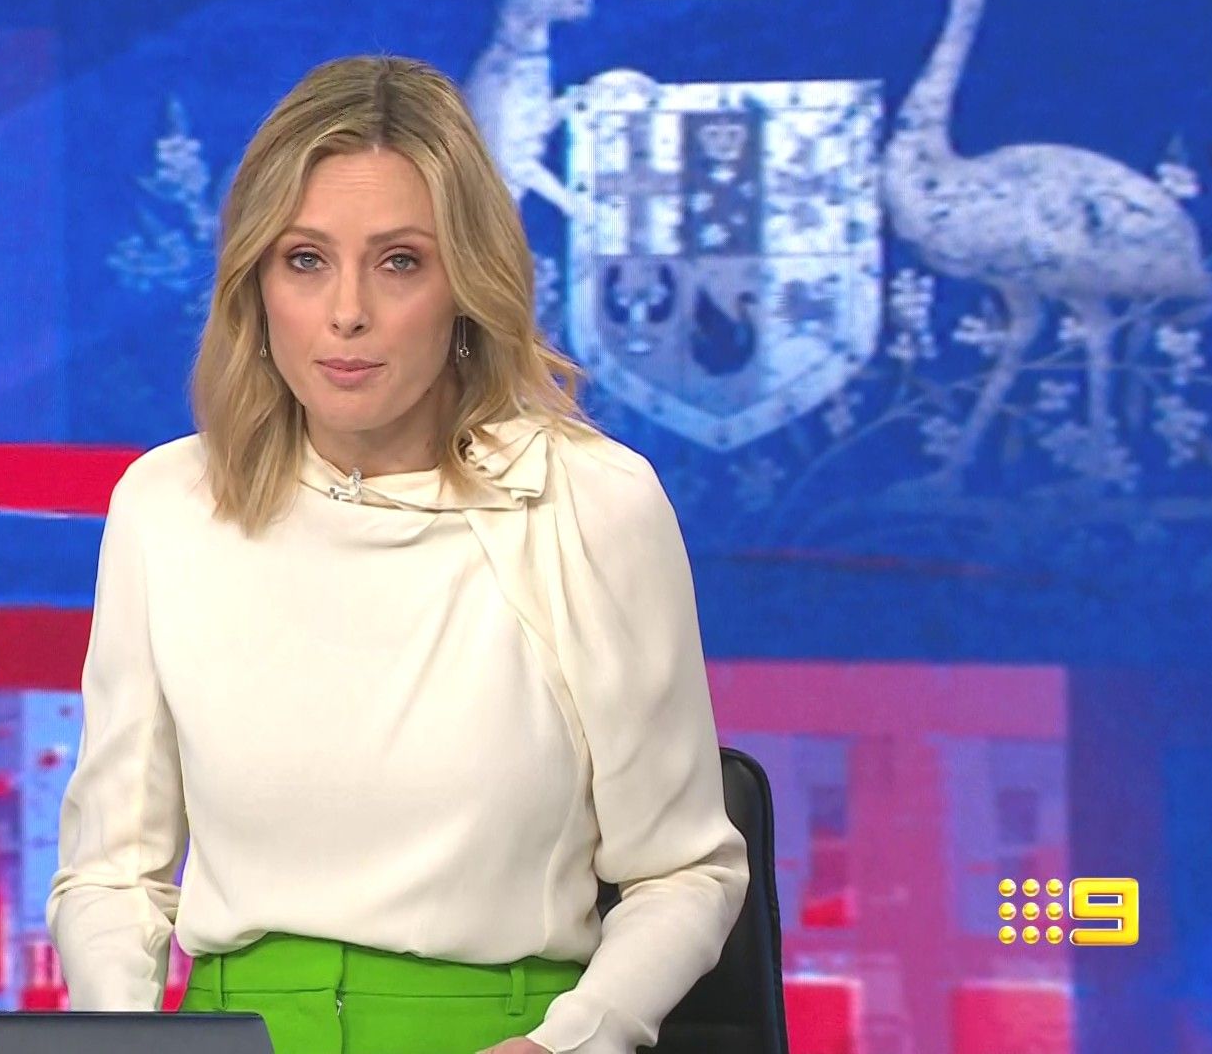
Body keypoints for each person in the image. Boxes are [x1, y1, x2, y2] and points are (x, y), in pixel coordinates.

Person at [47, 54, 748, 1054]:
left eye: (400, 262)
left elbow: (686, 872)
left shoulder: (590, 502)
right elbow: (113, 872)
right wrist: (125, 1044)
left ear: (466, 285)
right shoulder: (169, 504)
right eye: (305, 260)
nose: (347, 313)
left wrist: (571, 1043)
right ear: (256, 284)